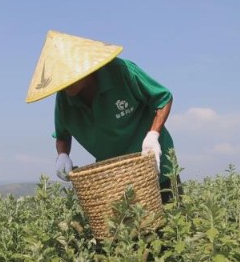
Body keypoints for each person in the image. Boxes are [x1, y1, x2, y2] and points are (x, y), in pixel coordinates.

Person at [25, 30, 180, 203]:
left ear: (85, 69)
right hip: (114, 179)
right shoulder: (64, 98)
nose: (65, 88)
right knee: (127, 227)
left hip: (153, 165)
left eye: (69, 80)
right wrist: (62, 155)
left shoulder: (121, 72)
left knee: (171, 223)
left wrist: (153, 135)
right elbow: (62, 134)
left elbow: (163, 99)